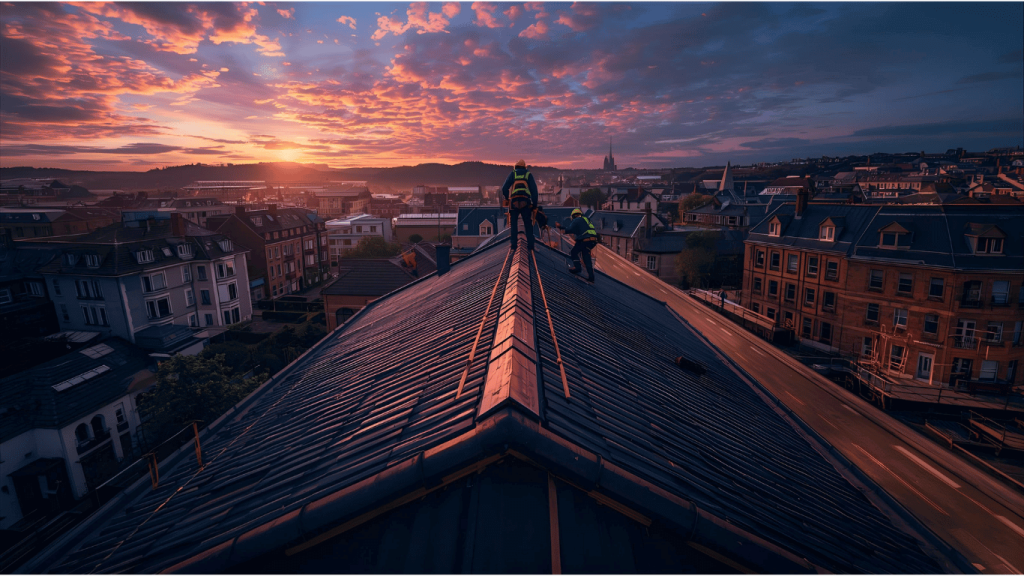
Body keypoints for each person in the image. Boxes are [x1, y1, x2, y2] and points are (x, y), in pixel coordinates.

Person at [501, 159, 539, 251]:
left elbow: (504, 188)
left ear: (516, 166)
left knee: (513, 224)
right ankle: (530, 246)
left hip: (513, 202)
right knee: (528, 224)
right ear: (524, 167)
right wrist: (534, 204)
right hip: (525, 201)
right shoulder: (528, 174)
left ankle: (513, 246)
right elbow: (534, 191)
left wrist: (507, 198)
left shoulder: (513, 174)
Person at [563, 208, 598, 282]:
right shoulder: (586, 220)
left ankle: (577, 267)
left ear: (573, 216)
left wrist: (564, 230)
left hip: (585, 241)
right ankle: (591, 277)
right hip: (592, 241)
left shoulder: (577, 220)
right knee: (586, 257)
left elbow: (570, 229)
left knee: (574, 252)